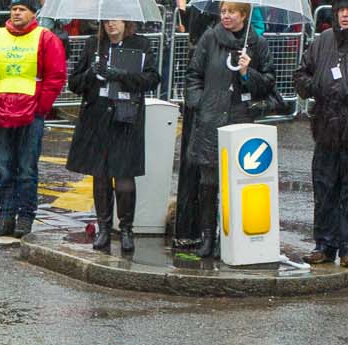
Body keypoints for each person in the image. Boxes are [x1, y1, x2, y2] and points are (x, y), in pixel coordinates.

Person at [174, 1, 275, 258]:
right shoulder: (210, 38)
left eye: (231, 12)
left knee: (236, 184)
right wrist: (199, 103)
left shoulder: (257, 44)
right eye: (223, 12)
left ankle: (229, 236)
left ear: (243, 15)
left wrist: (246, 72)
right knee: (208, 183)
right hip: (210, 120)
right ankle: (208, 236)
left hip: (241, 120)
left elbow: (268, 83)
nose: (225, 16)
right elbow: (194, 75)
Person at [64, 17, 156, 254]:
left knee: (125, 178)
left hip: (126, 117)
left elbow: (152, 79)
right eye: (106, 22)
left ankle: (126, 229)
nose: (110, 26)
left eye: (115, 22)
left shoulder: (141, 45)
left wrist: (121, 74)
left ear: (126, 23)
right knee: (101, 176)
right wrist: (91, 75)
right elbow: (74, 83)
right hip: (97, 118)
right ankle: (104, 228)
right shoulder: (91, 45)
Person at [0, 0, 64, 239]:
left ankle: (25, 218)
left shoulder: (46, 39)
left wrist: (40, 107)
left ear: (33, 13)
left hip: (30, 113)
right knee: (5, 169)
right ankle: (5, 217)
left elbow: (55, 76)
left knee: (26, 169)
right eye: (14, 9)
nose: (16, 13)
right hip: (0, 111)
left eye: (22, 9)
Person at [295, 6, 348, 265]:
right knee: (324, 187)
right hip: (326, 126)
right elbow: (301, 74)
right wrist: (314, 86)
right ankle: (324, 245)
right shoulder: (322, 41)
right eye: (342, 9)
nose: (346, 14)